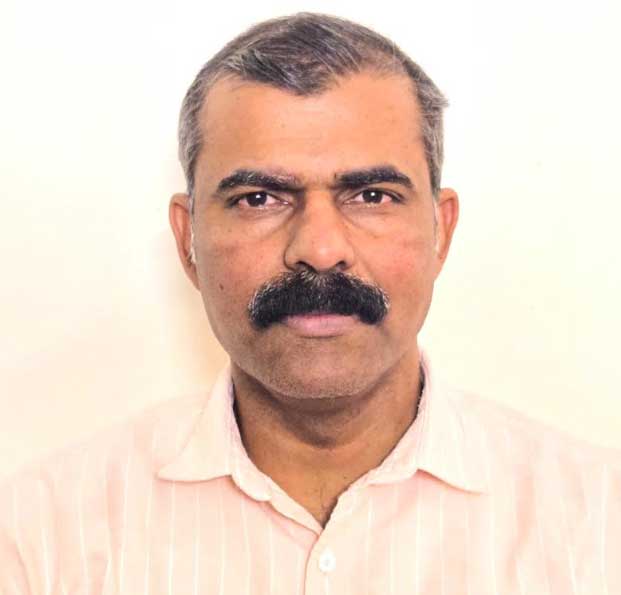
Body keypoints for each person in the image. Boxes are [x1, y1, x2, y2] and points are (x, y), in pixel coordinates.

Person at [1, 12, 619, 594]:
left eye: (372, 196)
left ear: (442, 231)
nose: (320, 250)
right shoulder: (39, 539)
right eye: (258, 199)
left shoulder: (597, 528)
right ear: (187, 241)